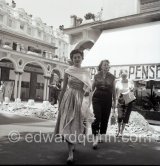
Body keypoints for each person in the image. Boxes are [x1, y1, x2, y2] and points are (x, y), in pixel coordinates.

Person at [54, 49, 92, 164]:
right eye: (74, 57)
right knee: (68, 123)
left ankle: (73, 142)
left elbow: (89, 88)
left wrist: (86, 94)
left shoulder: (86, 72)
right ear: (72, 59)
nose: (76, 59)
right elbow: (64, 87)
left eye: (78, 57)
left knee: (77, 123)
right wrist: (60, 103)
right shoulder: (68, 70)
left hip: (80, 100)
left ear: (82, 58)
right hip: (69, 98)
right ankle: (70, 154)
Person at [91, 59, 116, 149]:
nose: (106, 66)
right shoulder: (96, 76)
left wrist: (114, 101)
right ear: (101, 66)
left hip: (108, 97)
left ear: (109, 67)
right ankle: (95, 137)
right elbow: (92, 88)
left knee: (105, 117)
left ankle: (102, 134)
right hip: (97, 97)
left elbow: (113, 90)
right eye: (104, 64)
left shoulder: (112, 77)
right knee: (97, 117)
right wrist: (87, 96)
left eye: (107, 65)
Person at [115, 69, 135, 137]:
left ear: (127, 74)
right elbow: (116, 92)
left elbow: (133, 89)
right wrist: (115, 101)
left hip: (129, 98)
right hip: (120, 98)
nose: (124, 76)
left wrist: (131, 88)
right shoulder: (118, 82)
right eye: (122, 75)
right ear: (120, 75)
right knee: (120, 116)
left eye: (125, 75)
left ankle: (121, 132)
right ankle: (118, 130)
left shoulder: (130, 81)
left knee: (126, 116)